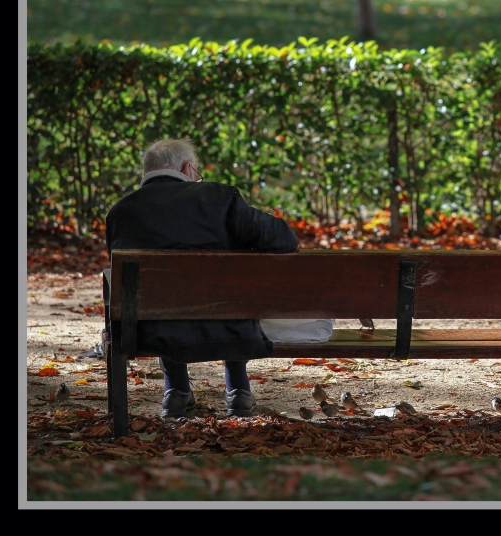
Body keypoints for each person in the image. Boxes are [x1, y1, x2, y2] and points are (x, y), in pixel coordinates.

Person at [106, 138, 332, 419]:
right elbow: (285, 239)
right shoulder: (219, 198)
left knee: (166, 296)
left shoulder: (120, 212)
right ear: (188, 168)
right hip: (227, 327)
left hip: (149, 331)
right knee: (233, 292)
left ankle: (175, 391)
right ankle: (238, 390)